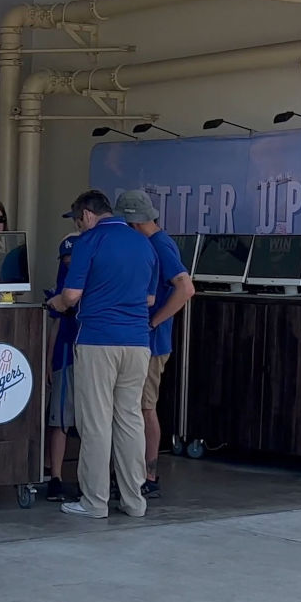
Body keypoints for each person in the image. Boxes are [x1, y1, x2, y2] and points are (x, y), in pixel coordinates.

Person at [48, 190, 157, 519]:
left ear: (86, 214)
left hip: (97, 339)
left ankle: (94, 502)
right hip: (138, 342)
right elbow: (150, 300)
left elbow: (71, 295)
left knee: (95, 422)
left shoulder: (89, 242)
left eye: (78, 220)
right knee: (129, 421)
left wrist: (57, 303)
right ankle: (134, 500)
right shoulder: (145, 244)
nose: (79, 226)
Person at [117, 189, 192, 499]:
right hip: (144, 340)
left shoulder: (159, 245)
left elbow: (186, 288)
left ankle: (149, 474)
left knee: (144, 408)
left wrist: (154, 321)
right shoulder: (154, 242)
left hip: (152, 342)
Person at [41, 212, 83, 501]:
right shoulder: (67, 274)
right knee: (59, 417)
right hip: (66, 351)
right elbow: (56, 316)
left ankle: (84, 479)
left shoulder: (88, 272)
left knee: (88, 420)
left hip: (88, 348)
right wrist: (48, 358)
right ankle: (55, 476)